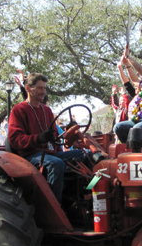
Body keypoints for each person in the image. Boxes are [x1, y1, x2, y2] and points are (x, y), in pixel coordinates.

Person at [8, 73, 85, 202]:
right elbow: (15, 140)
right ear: (27, 88)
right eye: (39, 88)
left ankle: (81, 199)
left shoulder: (47, 110)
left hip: (50, 154)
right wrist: (39, 139)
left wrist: (63, 144)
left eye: (44, 88)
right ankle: (55, 208)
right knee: (56, 163)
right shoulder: (19, 110)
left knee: (84, 155)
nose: (43, 91)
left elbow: (56, 138)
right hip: (30, 155)